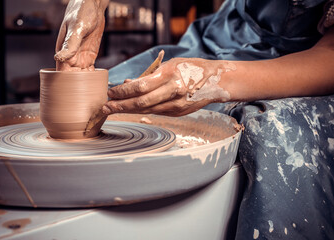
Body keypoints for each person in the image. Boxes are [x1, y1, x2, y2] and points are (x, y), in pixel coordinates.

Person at [55, 0, 334, 239]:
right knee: (108, 94)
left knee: (271, 132)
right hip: (232, 32)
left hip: (308, 65)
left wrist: (215, 79)